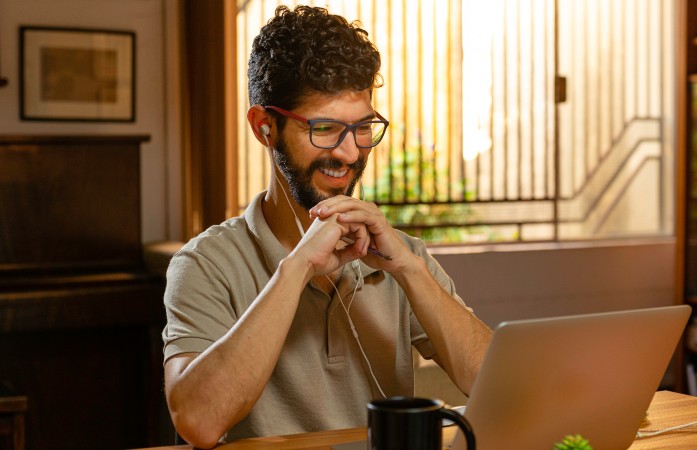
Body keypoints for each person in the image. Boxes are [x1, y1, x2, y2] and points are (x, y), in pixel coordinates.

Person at [162, 5, 493, 448]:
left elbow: (493, 384)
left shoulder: (399, 255)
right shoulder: (205, 265)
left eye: (362, 128)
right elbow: (197, 421)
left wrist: (411, 272)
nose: (351, 153)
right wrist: (297, 268)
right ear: (265, 127)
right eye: (325, 129)